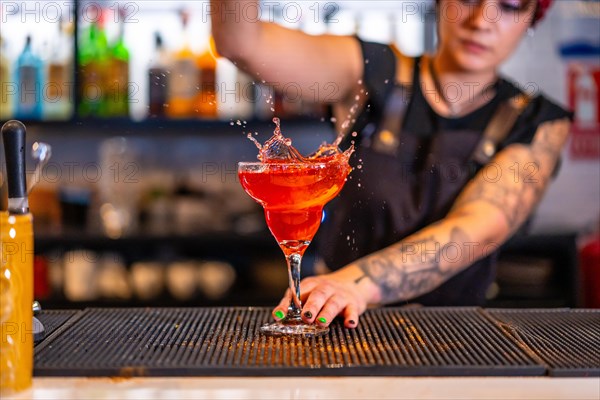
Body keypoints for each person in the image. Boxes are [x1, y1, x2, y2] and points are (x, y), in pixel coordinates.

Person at [211, 0, 572, 328]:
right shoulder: (371, 69)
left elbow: (478, 228)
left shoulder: (540, 122)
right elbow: (242, 44)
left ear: (531, 19)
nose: (483, 21)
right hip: (333, 321)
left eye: (510, 6)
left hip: (454, 340)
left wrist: (354, 285)